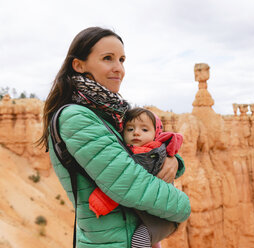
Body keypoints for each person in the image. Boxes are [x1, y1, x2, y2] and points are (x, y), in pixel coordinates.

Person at [38, 27, 191, 248]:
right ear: (79, 65)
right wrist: (184, 207)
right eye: (108, 58)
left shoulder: (109, 114)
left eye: (122, 59)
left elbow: (142, 153)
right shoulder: (76, 116)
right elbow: (127, 183)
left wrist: (173, 162)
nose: (118, 68)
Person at [89, 107, 184, 248]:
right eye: (130, 129)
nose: (136, 133)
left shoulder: (146, 156)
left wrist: (101, 201)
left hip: (159, 212)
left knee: (140, 240)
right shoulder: (140, 151)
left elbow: (124, 181)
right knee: (150, 239)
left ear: (156, 134)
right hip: (151, 211)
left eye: (144, 130)